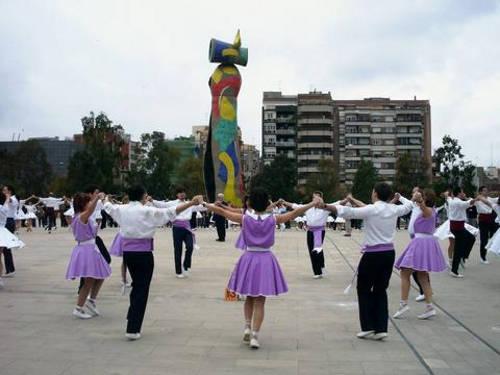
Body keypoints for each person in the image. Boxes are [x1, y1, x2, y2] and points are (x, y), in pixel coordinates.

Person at [204, 187, 321, 349]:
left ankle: (247, 326)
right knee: (260, 300)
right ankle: (255, 336)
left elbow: (222, 212)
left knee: (249, 296)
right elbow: (295, 213)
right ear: (267, 203)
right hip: (266, 259)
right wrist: (312, 204)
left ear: (250, 203)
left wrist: (203, 203)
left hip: (249, 258)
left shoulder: (245, 218)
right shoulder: (273, 219)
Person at [104, 185, 203, 340]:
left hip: (128, 253)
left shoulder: (121, 209)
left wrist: (103, 198)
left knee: (137, 285)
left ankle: (132, 316)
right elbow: (169, 212)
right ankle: (133, 328)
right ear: (143, 197)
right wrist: (191, 203)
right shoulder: (146, 211)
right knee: (141, 289)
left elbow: (108, 207)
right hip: (143, 253)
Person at [325, 183, 413, 341]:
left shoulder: (372, 209)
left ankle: (368, 327)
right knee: (380, 289)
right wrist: (401, 198)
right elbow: (409, 206)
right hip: (388, 253)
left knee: (364, 288)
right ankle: (381, 328)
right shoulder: (394, 209)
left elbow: (348, 211)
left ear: (375, 194)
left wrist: (325, 206)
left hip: (372, 254)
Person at [393, 189, 447, 320]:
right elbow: (413, 205)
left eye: (422, 196)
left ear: (426, 198)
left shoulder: (428, 210)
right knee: (422, 275)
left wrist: (419, 199)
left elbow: (423, 208)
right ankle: (429, 307)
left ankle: (403, 304)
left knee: (405, 272)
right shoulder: (426, 210)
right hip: (423, 242)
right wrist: (411, 199)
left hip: (421, 243)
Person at [65, 190, 111, 319]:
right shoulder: (82, 216)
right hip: (86, 249)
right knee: (89, 280)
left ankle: (91, 300)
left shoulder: (82, 216)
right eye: (88, 201)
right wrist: (97, 198)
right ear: (83, 204)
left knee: (100, 274)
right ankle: (78, 307)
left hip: (90, 248)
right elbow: (91, 210)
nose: (90, 203)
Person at [281, 192, 346, 279]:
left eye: (316, 198)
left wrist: (347, 200)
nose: (314, 200)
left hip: (319, 231)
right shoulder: (308, 208)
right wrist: (285, 202)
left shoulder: (325, 208)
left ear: (321, 199)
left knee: (316, 250)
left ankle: (318, 271)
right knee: (312, 250)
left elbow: (337, 203)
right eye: (313, 198)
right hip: (310, 231)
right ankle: (319, 267)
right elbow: (295, 206)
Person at [150, 187, 205, 278]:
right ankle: (178, 271)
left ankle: (186, 266)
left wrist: (212, 205)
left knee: (190, 247)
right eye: (180, 193)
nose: (182, 194)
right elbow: (161, 205)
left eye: (183, 192)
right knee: (178, 250)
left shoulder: (190, 203)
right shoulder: (172, 203)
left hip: (187, 228)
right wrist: (152, 200)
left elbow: (202, 207)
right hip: (177, 228)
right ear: (177, 195)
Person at [445, 187, 485, 277]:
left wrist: (447, 195)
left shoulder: (452, 200)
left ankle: (463, 257)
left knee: (471, 238)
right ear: (459, 193)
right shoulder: (458, 202)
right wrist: (476, 198)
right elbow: (469, 203)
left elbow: (448, 197)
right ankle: (454, 270)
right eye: (462, 192)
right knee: (458, 248)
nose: (464, 193)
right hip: (457, 227)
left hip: (457, 226)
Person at [0, 191, 25, 288]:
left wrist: (6, 197)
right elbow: (6, 202)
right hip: (3, 232)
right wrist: (7, 197)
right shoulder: (5, 208)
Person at [475, 186, 498, 264]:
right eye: (484, 190)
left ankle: (494, 248)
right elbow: (470, 201)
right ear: (480, 192)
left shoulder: (490, 199)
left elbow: (497, 199)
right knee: (484, 239)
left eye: (487, 190)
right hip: (483, 220)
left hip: (491, 218)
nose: (486, 192)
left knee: (496, 234)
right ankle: (483, 257)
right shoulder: (477, 200)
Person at [2, 185, 18, 277]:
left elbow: (11, 201)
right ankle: (9, 269)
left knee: (6, 247)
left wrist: (7, 197)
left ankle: (10, 270)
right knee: (4, 248)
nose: (3, 191)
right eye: (3, 190)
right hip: (5, 222)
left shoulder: (13, 198)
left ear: (10, 191)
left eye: (5, 190)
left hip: (8, 222)